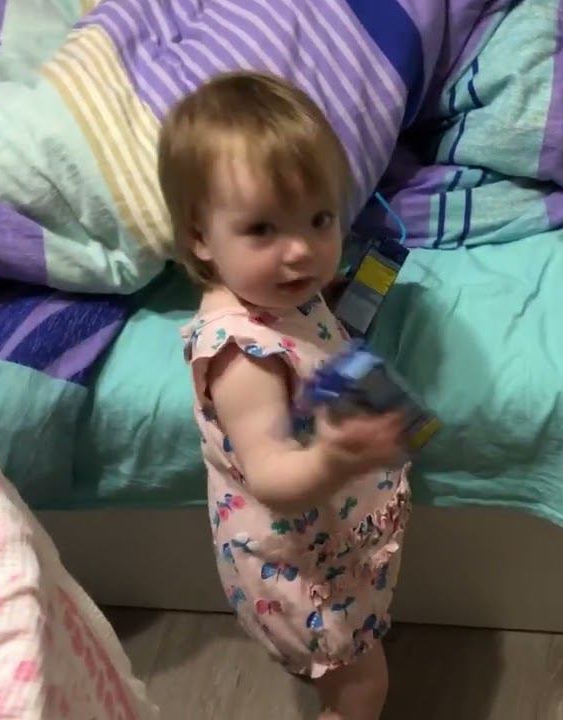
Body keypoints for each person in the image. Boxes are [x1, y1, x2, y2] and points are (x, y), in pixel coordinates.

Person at [159, 72, 410, 720]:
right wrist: (334, 458)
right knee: (361, 690)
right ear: (200, 237)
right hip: (301, 568)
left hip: (330, 540)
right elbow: (271, 473)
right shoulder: (243, 359)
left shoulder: (277, 293)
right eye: (263, 229)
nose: (300, 252)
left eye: (319, 219)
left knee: (356, 671)